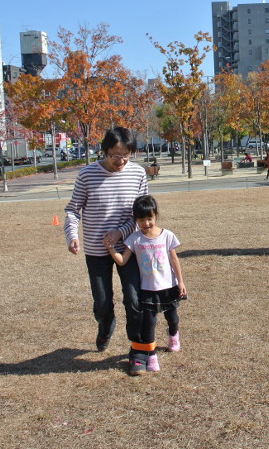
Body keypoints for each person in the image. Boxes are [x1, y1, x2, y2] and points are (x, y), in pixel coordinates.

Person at [64, 127, 148, 360]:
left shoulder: (138, 174)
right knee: (102, 303)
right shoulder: (87, 175)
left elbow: (140, 215)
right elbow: (72, 210)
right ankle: (106, 324)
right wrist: (72, 235)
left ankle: (137, 350)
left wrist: (120, 233)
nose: (120, 161)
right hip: (95, 249)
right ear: (104, 152)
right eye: (114, 155)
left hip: (128, 248)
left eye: (125, 155)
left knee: (134, 299)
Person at [106, 195, 186, 375]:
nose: (146, 223)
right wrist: (111, 248)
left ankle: (173, 335)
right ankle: (151, 356)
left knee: (172, 317)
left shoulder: (167, 235)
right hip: (147, 290)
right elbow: (122, 261)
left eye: (149, 218)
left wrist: (180, 282)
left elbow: (174, 260)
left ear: (155, 216)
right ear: (136, 220)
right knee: (149, 324)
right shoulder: (134, 239)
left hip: (168, 287)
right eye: (141, 220)